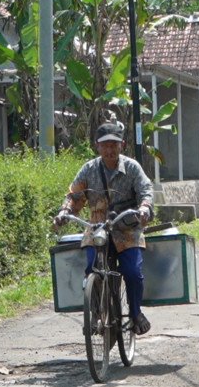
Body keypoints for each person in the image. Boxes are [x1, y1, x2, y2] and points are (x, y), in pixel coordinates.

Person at [53, 122, 154, 335]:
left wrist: (144, 207)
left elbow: (146, 190)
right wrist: (65, 212)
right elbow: (74, 196)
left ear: (122, 145)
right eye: (105, 145)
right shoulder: (89, 169)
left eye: (114, 145)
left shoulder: (132, 168)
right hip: (96, 227)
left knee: (133, 273)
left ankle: (135, 313)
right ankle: (96, 312)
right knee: (92, 268)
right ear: (97, 146)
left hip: (126, 228)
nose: (109, 150)